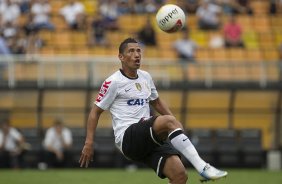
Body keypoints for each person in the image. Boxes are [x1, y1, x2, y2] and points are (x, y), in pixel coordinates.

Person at [79, 38, 228, 183]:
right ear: (121, 57)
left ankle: (197, 168)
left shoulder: (145, 77)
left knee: (179, 176)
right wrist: (89, 142)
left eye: (139, 51)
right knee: (168, 121)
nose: (137, 54)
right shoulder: (113, 82)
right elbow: (95, 112)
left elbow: (156, 101)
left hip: (148, 138)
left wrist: (173, 121)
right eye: (131, 51)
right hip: (128, 137)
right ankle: (203, 167)